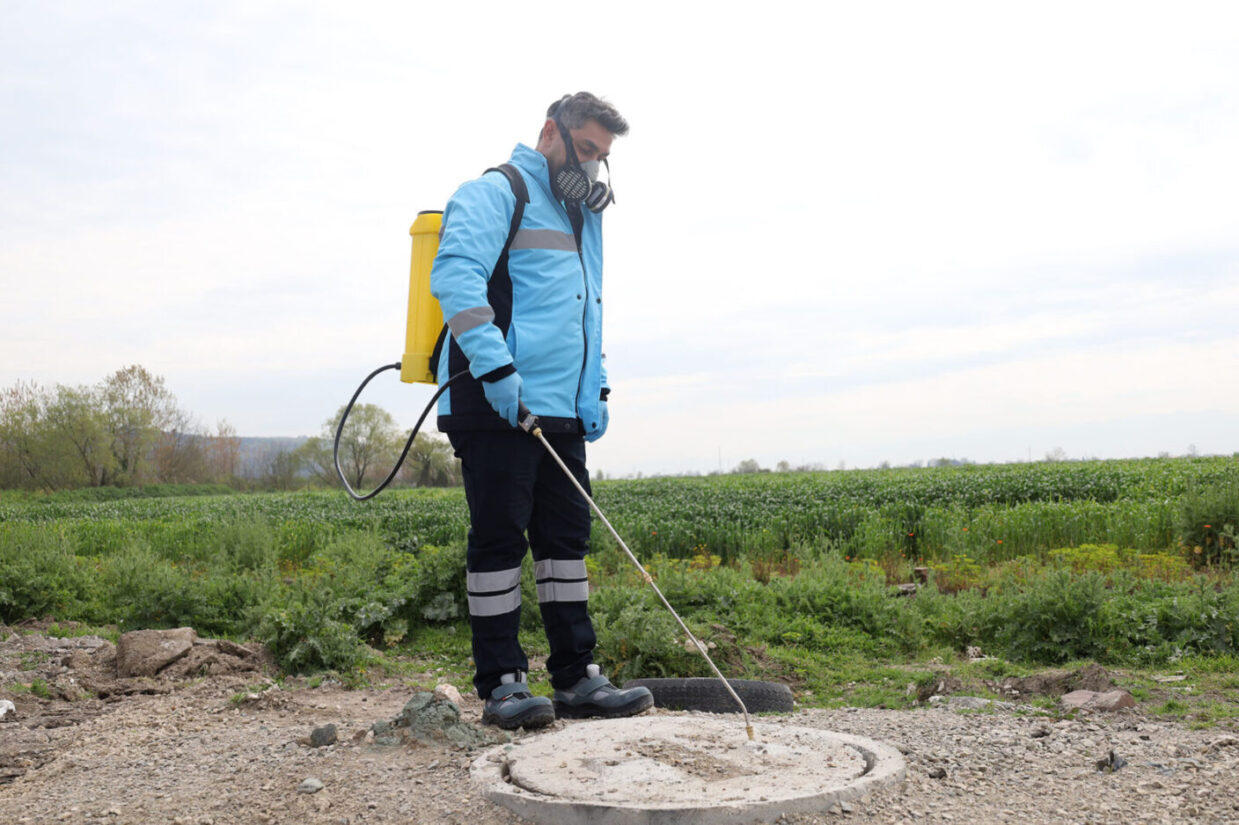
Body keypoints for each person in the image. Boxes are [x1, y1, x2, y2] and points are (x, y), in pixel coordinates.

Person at [429, 92, 653, 730]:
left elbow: (586, 308)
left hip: (561, 409)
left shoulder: (582, 215)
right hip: (494, 400)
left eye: (601, 156)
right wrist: (498, 371)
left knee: (565, 544)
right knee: (500, 539)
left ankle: (577, 678)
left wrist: (596, 387)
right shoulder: (495, 192)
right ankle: (502, 684)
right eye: (585, 149)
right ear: (550, 132)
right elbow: (456, 279)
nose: (592, 166)